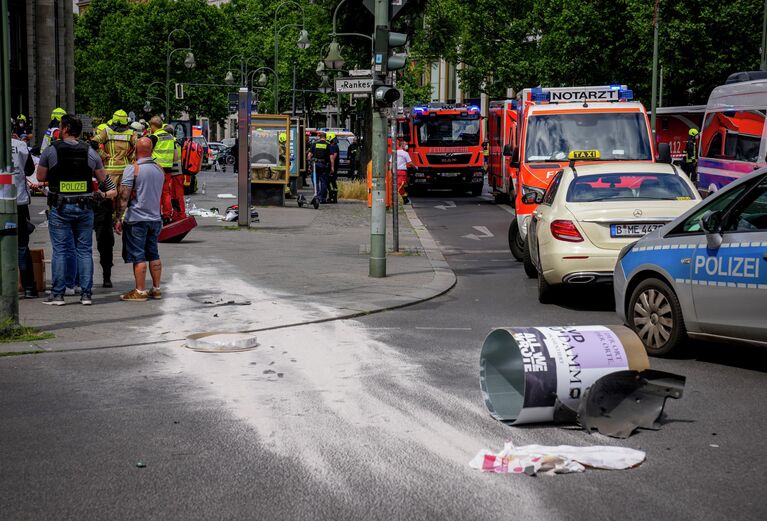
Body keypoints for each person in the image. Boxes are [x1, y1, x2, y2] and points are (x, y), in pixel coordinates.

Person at [36, 114, 114, 305]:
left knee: (61, 251)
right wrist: (104, 194)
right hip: (84, 206)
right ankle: (86, 294)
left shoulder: (52, 150)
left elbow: (40, 176)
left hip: (60, 207)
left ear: (64, 129)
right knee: (85, 251)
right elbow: (105, 180)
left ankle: (58, 294)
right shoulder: (89, 151)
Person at [114, 137, 165, 302]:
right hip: (155, 218)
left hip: (136, 218)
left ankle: (140, 291)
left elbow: (124, 196)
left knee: (139, 256)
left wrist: (118, 217)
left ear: (136, 150)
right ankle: (156, 289)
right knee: (154, 253)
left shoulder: (133, 169)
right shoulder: (159, 169)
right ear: (151, 150)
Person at [91, 109, 137, 287]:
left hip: (108, 171)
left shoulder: (107, 131)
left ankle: (111, 219)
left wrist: (104, 156)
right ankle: (120, 219)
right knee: (124, 199)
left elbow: (94, 144)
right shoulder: (131, 133)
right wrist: (130, 157)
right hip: (125, 170)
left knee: (108, 201)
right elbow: (138, 146)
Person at [10, 135, 38, 298]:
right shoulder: (20, 145)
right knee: (21, 247)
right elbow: (29, 170)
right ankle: (28, 288)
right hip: (18, 201)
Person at [147, 117, 179, 223]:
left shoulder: (154, 137)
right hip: (168, 169)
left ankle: (156, 214)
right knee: (166, 193)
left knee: (155, 193)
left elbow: (146, 153)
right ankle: (166, 215)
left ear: (153, 126)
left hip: (156, 169)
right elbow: (175, 156)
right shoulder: (170, 137)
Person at [307, 133, 336, 204]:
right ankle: (321, 198)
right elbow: (331, 157)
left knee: (315, 181)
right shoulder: (328, 145)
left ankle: (316, 195)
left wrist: (309, 165)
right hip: (324, 165)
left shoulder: (314, 144)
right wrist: (332, 167)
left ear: (319, 137)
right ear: (325, 137)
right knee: (324, 182)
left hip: (315, 165)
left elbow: (309, 155)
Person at [395, 138, 415, 205]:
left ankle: (405, 200)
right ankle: (396, 200)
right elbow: (410, 163)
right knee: (400, 186)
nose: (406, 146)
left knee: (400, 186)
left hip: (395, 171)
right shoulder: (405, 153)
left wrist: (391, 171)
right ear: (402, 145)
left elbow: (391, 163)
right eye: (405, 144)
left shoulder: (394, 152)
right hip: (402, 172)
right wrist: (415, 167)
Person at [326, 131, 340, 204]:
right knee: (332, 182)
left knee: (330, 182)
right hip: (333, 166)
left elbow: (334, 157)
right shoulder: (334, 145)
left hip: (332, 167)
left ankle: (332, 197)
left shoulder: (334, 146)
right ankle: (333, 197)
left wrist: (331, 166)